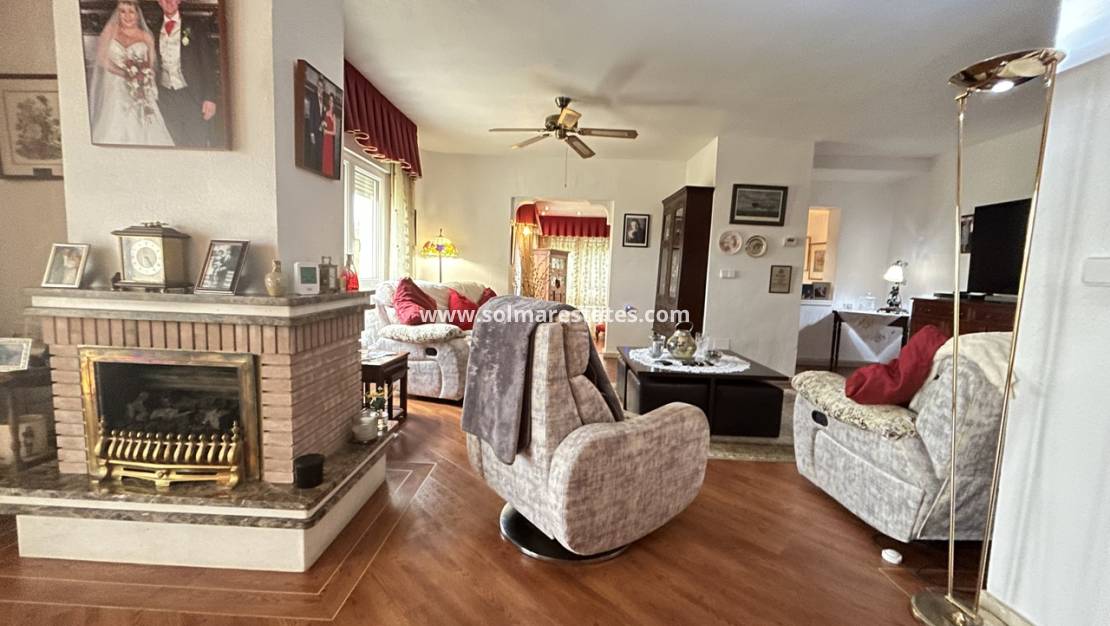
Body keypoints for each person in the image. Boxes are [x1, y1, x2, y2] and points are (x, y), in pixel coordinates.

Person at [88, 0, 175, 146]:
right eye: (123, 12)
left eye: (131, 12)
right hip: (115, 87)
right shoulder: (110, 31)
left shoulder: (146, 36)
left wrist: (142, 79)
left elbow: (150, 65)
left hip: (139, 89)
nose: (127, 16)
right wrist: (124, 73)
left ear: (137, 14)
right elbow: (102, 59)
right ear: (118, 14)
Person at [154, 0, 220, 147]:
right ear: (159, 2)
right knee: (173, 143)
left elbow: (208, 62)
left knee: (196, 142)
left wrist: (210, 97)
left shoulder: (195, 26)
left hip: (192, 95)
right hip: (165, 97)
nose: (169, 2)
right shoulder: (153, 28)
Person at [321, 91, 337, 178]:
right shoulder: (325, 112)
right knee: (324, 156)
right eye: (330, 100)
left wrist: (326, 132)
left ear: (334, 104)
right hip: (324, 138)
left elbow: (334, 132)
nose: (331, 102)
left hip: (329, 139)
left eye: (332, 101)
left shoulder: (333, 116)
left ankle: (328, 173)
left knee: (328, 156)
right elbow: (322, 124)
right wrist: (322, 125)